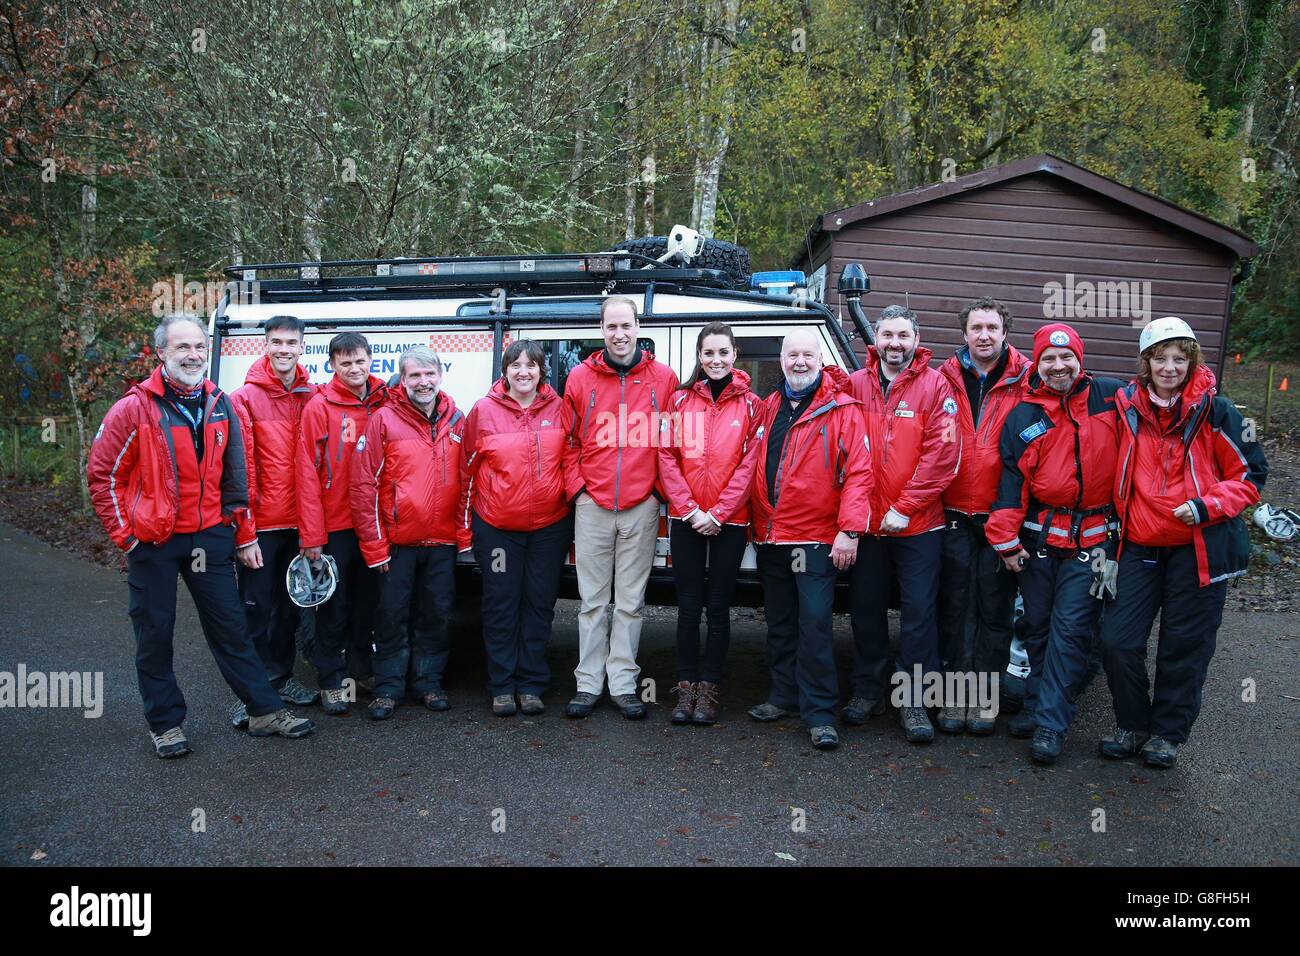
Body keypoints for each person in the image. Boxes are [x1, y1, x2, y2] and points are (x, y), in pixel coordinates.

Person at [87, 313, 314, 757]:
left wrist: (245, 535)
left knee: (232, 628)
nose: (192, 355)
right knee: (156, 632)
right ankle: (166, 723)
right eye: (182, 348)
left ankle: (264, 711)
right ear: (161, 354)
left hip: (209, 538)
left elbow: (236, 479)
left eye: (198, 347)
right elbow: (102, 476)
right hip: (152, 541)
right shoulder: (135, 407)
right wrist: (127, 538)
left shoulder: (218, 402)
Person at [1099, 318, 1267, 768]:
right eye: (1160, 358)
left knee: (1184, 645)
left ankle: (1167, 734)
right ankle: (1132, 724)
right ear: (1146, 362)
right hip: (1139, 545)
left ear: (1191, 361)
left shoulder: (1218, 411)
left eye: (1179, 358)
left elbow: (1251, 475)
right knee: (1117, 640)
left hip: (1199, 548)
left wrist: (1208, 505)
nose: (1169, 367)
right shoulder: (1126, 407)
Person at [986, 323, 1124, 764]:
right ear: (1038, 363)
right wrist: (1005, 540)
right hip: (1042, 539)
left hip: (1097, 543)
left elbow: (1167, 393)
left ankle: (1050, 725)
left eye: (1067, 358)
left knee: (1071, 630)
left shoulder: (1112, 397)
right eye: (1049, 358)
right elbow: (1011, 483)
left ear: (1080, 360)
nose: (1059, 366)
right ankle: (1034, 704)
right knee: (1038, 627)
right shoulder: (1024, 415)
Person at [747, 329, 873, 750]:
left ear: (820, 359)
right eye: (791, 355)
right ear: (781, 359)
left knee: (815, 624)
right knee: (780, 623)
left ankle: (820, 713)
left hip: (814, 540)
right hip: (770, 536)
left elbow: (859, 472)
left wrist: (850, 530)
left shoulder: (842, 409)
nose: (799, 362)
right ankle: (783, 696)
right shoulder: (768, 407)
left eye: (807, 355)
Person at [847, 305, 961, 744]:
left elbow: (943, 456)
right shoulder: (856, 384)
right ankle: (867, 689)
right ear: (875, 339)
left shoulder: (938, 387)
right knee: (866, 611)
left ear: (916, 340)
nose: (894, 344)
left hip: (918, 526)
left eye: (903, 336)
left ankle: (913, 701)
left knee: (918, 615)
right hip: (869, 526)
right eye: (887, 335)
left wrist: (905, 506)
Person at [562, 296, 679, 720]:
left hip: (640, 506)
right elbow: (568, 440)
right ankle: (588, 684)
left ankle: (624, 685)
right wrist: (579, 491)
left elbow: (672, 440)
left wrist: (657, 493)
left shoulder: (664, 378)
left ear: (637, 326)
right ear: (601, 329)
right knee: (592, 602)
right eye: (611, 326)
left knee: (631, 602)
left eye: (625, 325)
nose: (619, 334)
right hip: (592, 505)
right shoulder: (579, 377)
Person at [351, 347, 469, 720]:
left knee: (435, 614)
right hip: (396, 545)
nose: (423, 382)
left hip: (443, 542)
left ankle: (428, 683)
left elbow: (469, 480)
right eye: (414, 375)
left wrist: (464, 537)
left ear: (439, 376)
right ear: (402, 380)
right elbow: (363, 485)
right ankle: (388, 687)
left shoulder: (457, 420)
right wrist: (375, 547)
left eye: (429, 374)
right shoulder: (384, 420)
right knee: (391, 616)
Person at [461, 339, 578, 717]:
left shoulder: (560, 409)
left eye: (531, 365)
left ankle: (530, 685)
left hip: (549, 527)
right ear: (505, 370)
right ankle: (501, 686)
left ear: (543, 370)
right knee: (501, 604)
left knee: (539, 605)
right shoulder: (483, 411)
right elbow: (466, 470)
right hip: (498, 528)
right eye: (516, 365)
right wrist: (466, 531)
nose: (523, 371)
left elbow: (573, 459)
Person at [658, 322, 763, 725]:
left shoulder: (753, 405)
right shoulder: (679, 401)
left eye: (723, 352)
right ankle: (685, 690)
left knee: (718, 608)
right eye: (708, 353)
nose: (715, 360)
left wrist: (718, 512)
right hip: (687, 520)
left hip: (730, 522)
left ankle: (710, 691)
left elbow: (750, 464)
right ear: (699, 357)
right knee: (687, 607)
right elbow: (665, 455)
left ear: (734, 354)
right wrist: (689, 509)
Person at [936, 297, 1030, 734]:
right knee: (956, 607)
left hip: (1000, 514)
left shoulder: (1027, 379)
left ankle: (985, 700)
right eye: (977, 328)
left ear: (1005, 331)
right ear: (965, 333)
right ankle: (955, 699)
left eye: (992, 327)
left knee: (995, 610)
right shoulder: (943, 377)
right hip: (952, 511)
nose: (984, 335)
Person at [227, 315, 320, 730]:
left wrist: (314, 528)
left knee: (288, 610)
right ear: (265, 345)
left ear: (303, 347)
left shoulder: (312, 396)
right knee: (254, 611)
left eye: (291, 342)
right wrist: (244, 533)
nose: (284, 349)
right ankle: (249, 696)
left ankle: (281, 680)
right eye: (276, 342)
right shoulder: (243, 399)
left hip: (300, 526)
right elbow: (239, 470)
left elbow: (321, 466)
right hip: (261, 527)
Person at [296, 332, 388, 715]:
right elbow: (306, 473)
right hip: (336, 526)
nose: (354, 368)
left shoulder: (386, 401)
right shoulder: (320, 407)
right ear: (332, 365)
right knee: (334, 607)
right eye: (345, 362)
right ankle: (331, 679)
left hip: (375, 525)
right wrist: (312, 536)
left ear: (371, 361)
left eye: (359, 361)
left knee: (368, 606)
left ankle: (358, 671)